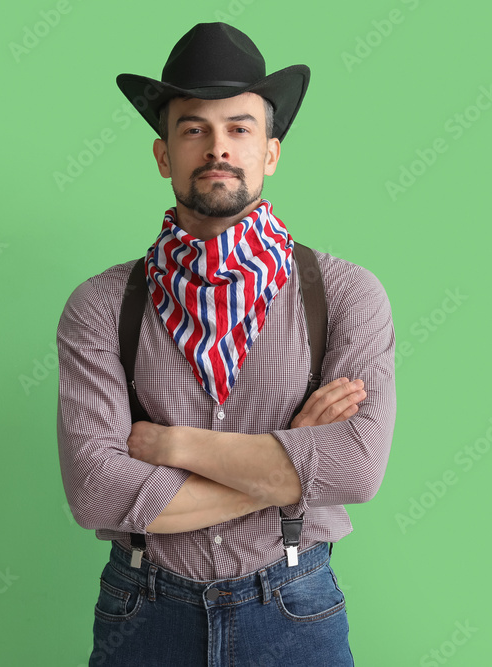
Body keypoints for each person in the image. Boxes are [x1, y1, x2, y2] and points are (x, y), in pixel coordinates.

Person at [56, 22, 396, 666]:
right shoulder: (102, 306)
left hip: (295, 608)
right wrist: (292, 463)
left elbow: (357, 467)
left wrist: (177, 445)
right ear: (164, 155)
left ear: (270, 152)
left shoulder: (346, 293)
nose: (218, 147)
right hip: (143, 612)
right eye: (194, 129)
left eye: (239, 128)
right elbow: (96, 489)